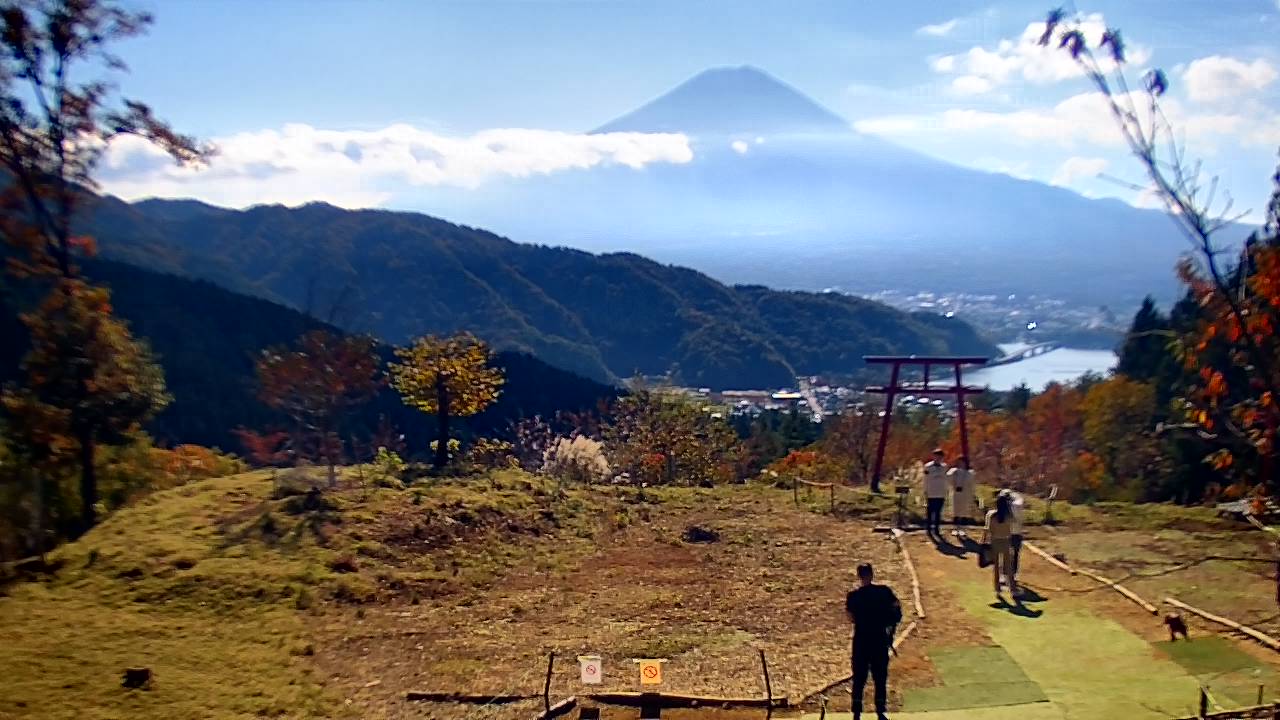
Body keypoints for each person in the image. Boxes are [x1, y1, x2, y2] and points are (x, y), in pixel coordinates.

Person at [846, 563, 902, 720]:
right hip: (879, 640)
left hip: (861, 641)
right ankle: (881, 710)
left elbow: (850, 617)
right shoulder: (884, 592)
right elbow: (897, 611)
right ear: (872, 574)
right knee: (880, 677)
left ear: (859, 576)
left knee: (859, 677)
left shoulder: (853, 596)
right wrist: (890, 629)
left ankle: (857, 712)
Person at [983, 492, 1016, 601]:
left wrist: (983, 541)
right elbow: (1013, 525)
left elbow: (987, 530)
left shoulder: (991, 515)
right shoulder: (1009, 516)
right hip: (1006, 541)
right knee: (1008, 567)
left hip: (995, 541)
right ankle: (1012, 589)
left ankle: (997, 589)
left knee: (996, 567)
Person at [922, 448, 949, 537]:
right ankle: (929, 529)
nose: (938, 458)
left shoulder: (944, 467)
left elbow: (946, 480)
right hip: (931, 492)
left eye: (940, 457)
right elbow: (925, 479)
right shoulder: (928, 466)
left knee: (938, 512)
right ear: (933, 456)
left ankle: (936, 529)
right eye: (936, 456)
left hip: (940, 492)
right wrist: (925, 490)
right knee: (930, 512)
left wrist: (946, 491)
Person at [1003, 488, 1026, 582]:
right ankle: (1005, 575)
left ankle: (1013, 574)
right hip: (1007, 533)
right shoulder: (1007, 505)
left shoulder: (1017, 504)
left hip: (1015, 533)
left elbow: (1017, 503)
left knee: (1014, 554)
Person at [947, 457, 976, 525]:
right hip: (956, 493)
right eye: (959, 462)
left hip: (965, 494)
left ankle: (963, 529)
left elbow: (972, 483)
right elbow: (948, 478)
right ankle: (956, 529)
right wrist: (954, 473)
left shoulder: (970, 473)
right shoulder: (953, 471)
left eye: (962, 462)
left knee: (964, 512)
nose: (961, 464)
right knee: (956, 512)